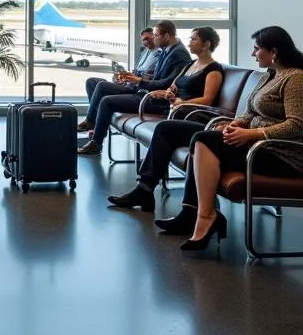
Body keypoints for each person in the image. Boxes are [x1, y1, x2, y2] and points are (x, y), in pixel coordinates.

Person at [158, 26, 303, 250]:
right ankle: (192, 212)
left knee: (203, 140)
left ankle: (205, 216)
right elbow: (251, 112)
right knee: (203, 138)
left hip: (281, 155)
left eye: (256, 49)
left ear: (273, 51)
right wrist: (237, 123)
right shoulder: (272, 75)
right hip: (259, 145)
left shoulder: (296, 79)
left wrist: (254, 134)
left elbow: (297, 124)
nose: (253, 54)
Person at [108, 26, 225, 211]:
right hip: (178, 111)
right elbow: (173, 87)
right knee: (164, 130)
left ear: (206, 44)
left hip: (194, 116)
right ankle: (144, 189)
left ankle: (144, 190)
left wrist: (181, 102)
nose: (189, 42)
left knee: (163, 129)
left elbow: (207, 99)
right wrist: (167, 94)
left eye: (194, 39)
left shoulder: (214, 70)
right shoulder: (190, 65)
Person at [77, 19, 191, 156]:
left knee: (106, 101)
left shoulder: (178, 54)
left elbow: (167, 84)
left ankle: (95, 141)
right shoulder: (169, 50)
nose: (154, 38)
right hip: (147, 93)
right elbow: (159, 77)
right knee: (100, 86)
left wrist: (140, 81)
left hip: (157, 101)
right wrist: (136, 78)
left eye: (156, 35)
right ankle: (92, 127)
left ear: (167, 36)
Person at [84, 27, 158, 105]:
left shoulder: (159, 55)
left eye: (148, 38)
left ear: (154, 37)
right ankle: (95, 112)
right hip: (127, 83)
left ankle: (91, 116)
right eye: (143, 40)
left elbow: (147, 76)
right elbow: (137, 71)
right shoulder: (145, 52)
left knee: (101, 85)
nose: (146, 41)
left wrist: (130, 78)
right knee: (91, 81)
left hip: (133, 87)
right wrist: (123, 77)